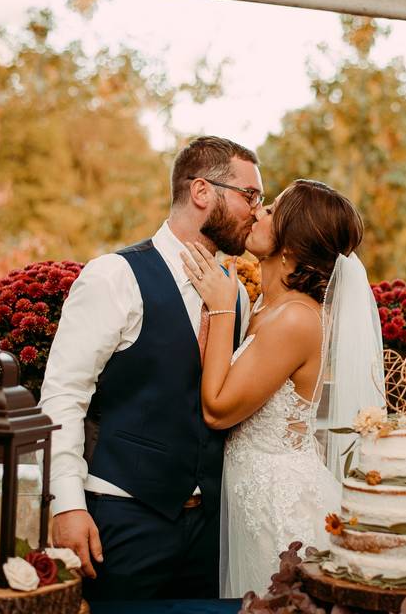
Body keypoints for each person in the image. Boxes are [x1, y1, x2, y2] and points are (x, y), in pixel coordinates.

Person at [39, 136, 262, 600]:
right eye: (250, 196)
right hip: (124, 519)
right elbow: (63, 394)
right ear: (203, 192)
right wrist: (66, 505)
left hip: (211, 533)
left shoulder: (236, 295)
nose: (257, 211)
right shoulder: (113, 277)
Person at [180, 179, 385, 597]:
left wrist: (221, 306)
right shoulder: (267, 304)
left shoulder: (297, 320)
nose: (256, 212)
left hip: (278, 505)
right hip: (251, 493)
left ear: (290, 245)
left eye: (271, 210)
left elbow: (218, 409)